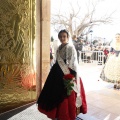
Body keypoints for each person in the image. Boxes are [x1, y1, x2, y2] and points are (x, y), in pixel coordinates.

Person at [37, 30, 87, 120]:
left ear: (67, 37)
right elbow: (57, 60)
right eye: (60, 36)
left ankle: (66, 114)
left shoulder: (70, 47)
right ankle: (57, 113)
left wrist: (69, 75)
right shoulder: (59, 47)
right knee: (54, 92)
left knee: (65, 94)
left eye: (64, 36)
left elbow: (71, 62)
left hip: (67, 71)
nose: (62, 38)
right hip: (56, 71)